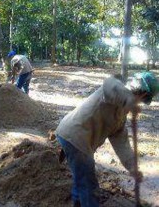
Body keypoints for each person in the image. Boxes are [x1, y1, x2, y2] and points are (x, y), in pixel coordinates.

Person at [55, 72, 159, 207]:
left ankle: (78, 203)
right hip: (74, 137)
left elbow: (121, 144)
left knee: (81, 180)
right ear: (143, 95)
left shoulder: (121, 115)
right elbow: (110, 83)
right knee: (89, 187)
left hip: (77, 139)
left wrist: (132, 167)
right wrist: (129, 100)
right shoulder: (114, 91)